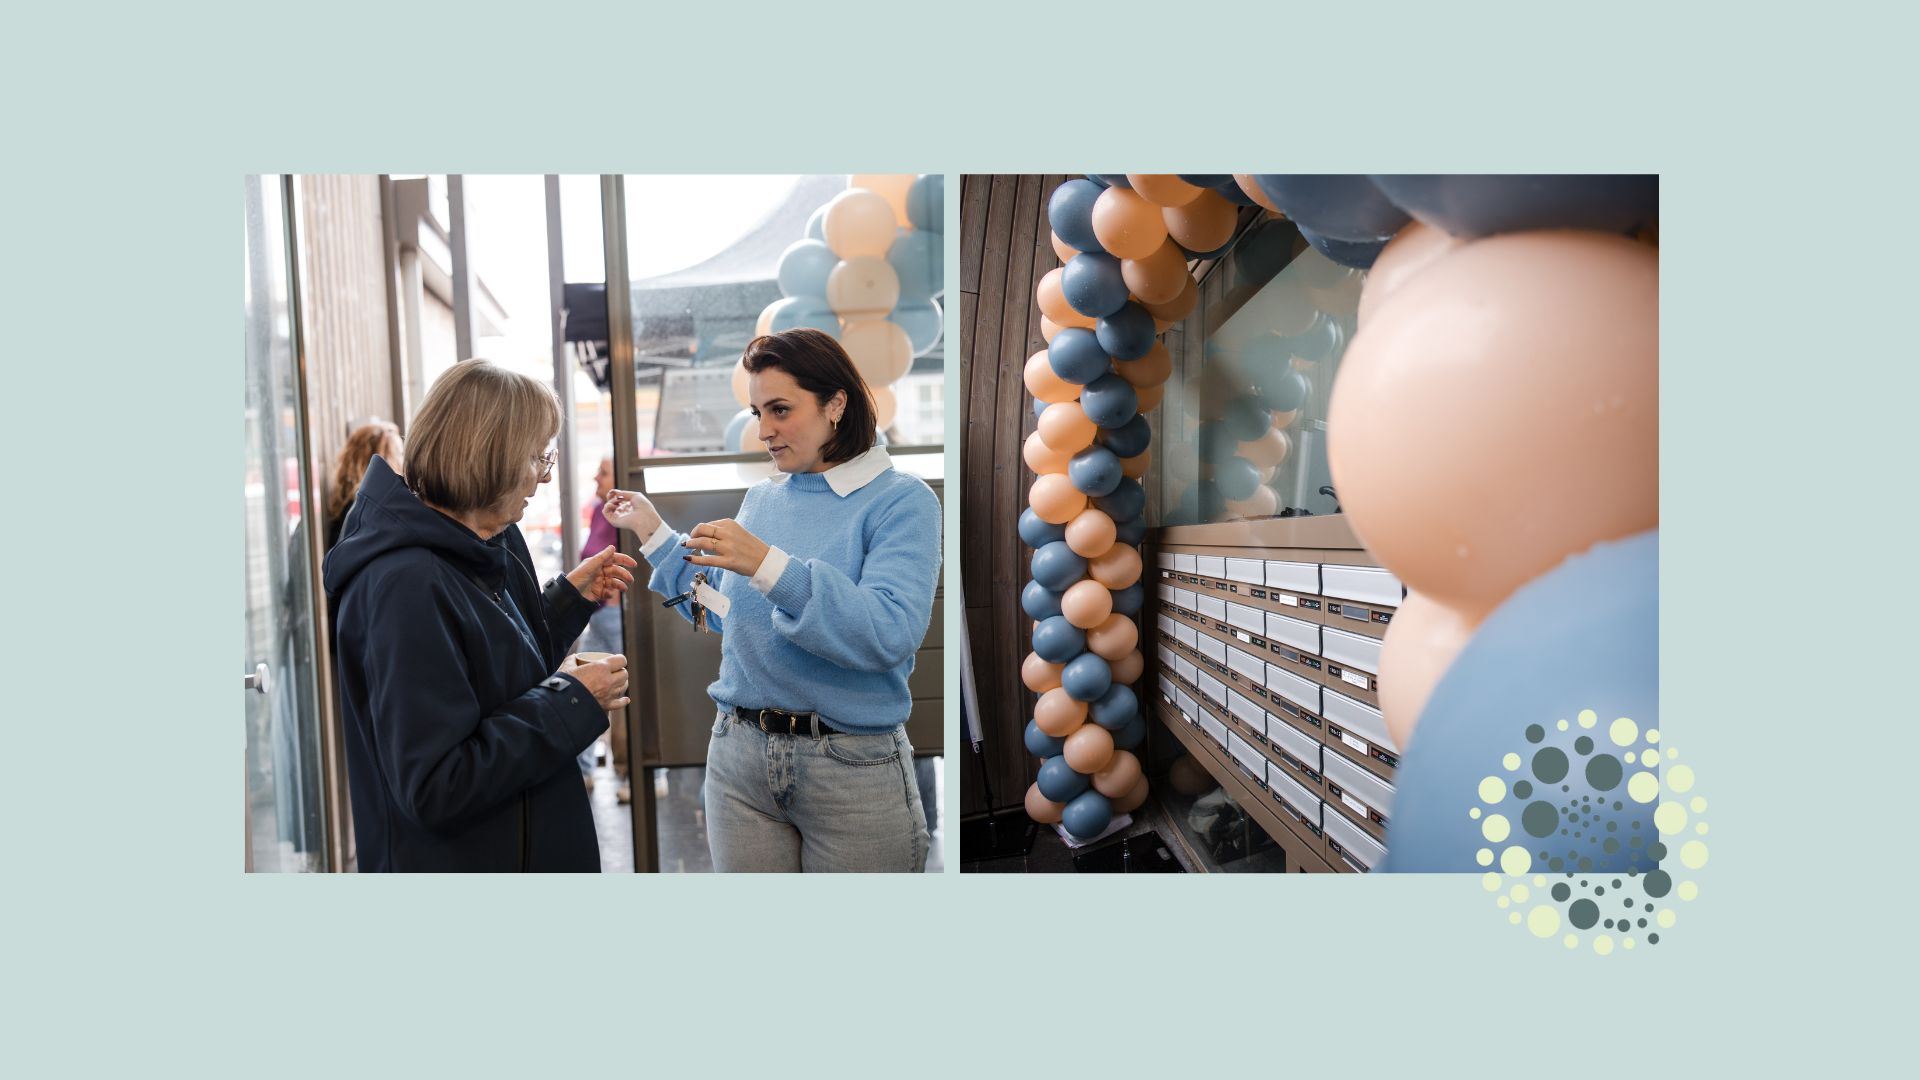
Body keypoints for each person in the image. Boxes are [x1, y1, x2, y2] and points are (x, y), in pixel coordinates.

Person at [603, 328, 940, 873]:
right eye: (757, 412)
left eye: (780, 410)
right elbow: (727, 615)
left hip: (850, 767)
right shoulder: (761, 499)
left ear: (836, 404)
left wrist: (768, 565)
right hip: (738, 761)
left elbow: (887, 633)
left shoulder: (903, 502)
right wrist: (651, 530)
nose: (763, 430)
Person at [322, 359, 639, 872]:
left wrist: (567, 601)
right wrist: (574, 701)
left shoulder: (488, 538)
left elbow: (495, 669)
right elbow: (437, 784)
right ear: (491, 457)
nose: (547, 473)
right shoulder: (405, 584)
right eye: (539, 456)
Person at [577, 456, 629, 801]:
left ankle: (632, 774)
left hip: (613, 613)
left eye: (604, 471)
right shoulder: (599, 510)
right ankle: (582, 770)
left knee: (624, 694)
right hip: (597, 614)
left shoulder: (623, 514)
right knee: (581, 687)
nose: (596, 475)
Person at [324, 420, 401, 551]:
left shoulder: (351, 505)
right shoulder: (373, 508)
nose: (403, 461)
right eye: (399, 454)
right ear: (385, 460)